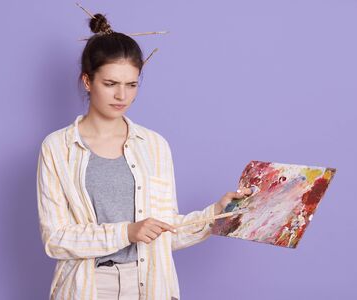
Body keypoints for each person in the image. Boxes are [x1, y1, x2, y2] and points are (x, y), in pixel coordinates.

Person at [36, 12, 252, 300]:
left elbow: (165, 233)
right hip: (88, 288)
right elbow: (55, 239)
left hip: (150, 285)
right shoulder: (57, 148)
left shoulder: (154, 145)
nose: (121, 96)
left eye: (131, 85)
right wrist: (127, 232)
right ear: (87, 81)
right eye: (110, 83)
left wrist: (216, 214)